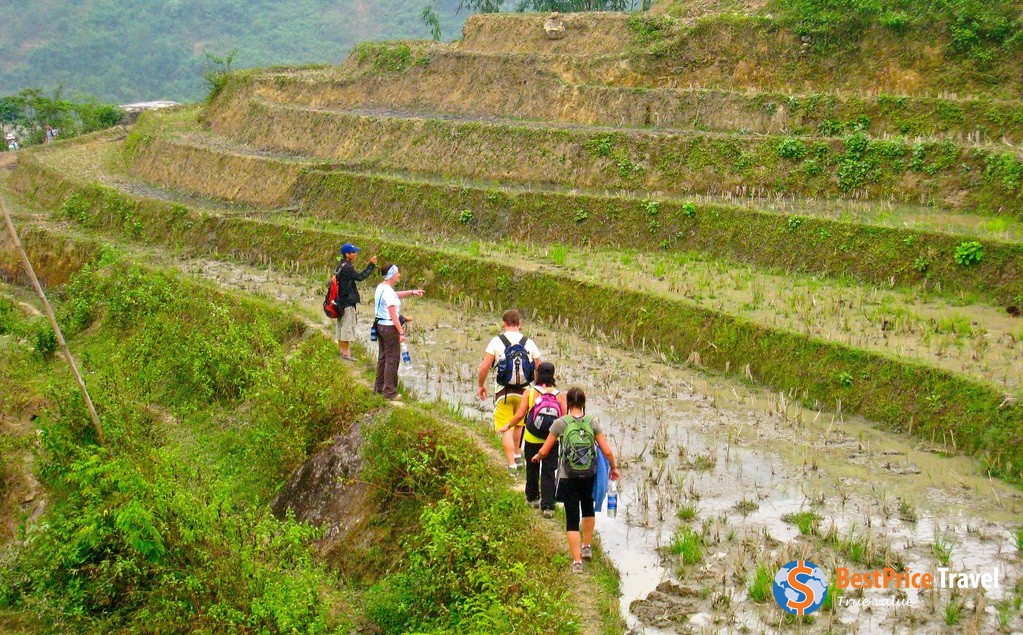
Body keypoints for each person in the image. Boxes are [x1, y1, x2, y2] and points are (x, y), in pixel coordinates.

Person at [532, 387, 620, 574]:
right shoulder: (592, 422)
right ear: (583, 403)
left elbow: (546, 450)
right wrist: (614, 467)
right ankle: (586, 546)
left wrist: (537, 457)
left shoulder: (560, 423)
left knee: (572, 519)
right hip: (590, 474)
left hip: (568, 476)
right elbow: (607, 451)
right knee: (588, 509)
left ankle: (577, 562)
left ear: (569, 404)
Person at [477, 309, 541, 473]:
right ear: (520, 324)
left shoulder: (496, 341)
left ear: (504, 324)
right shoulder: (529, 342)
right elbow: (540, 367)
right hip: (525, 392)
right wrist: (539, 390)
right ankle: (518, 455)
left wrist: (481, 385)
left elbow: (484, 367)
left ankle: (512, 464)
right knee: (519, 424)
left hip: (503, 393)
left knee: (506, 427)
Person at [500, 361, 564, 517]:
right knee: (549, 472)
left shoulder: (529, 392)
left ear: (537, 374)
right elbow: (563, 419)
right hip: (551, 440)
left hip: (531, 438)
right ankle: (548, 506)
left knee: (532, 468)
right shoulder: (560, 395)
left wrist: (507, 426)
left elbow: (520, 415)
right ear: (553, 375)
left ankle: (532, 498)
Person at [373, 264, 424, 403]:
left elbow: (396, 295)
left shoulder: (382, 287)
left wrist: (412, 292)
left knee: (383, 357)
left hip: (380, 326)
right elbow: (393, 314)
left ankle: (379, 387)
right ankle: (389, 392)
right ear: (391, 275)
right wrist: (401, 332)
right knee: (392, 359)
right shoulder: (388, 291)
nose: (399, 275)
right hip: (389, 328)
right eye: (397, 273)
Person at [333, 243, 376, 361]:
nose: (355, 254)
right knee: (347, 328)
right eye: (353, 252)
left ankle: (343, 351)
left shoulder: (340, 265)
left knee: (341, 327)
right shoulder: (348, 267)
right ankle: (346, 354)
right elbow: (361, 277)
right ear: (347, 254)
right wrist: (371, 265)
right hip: (347, 302)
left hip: (339, 301)